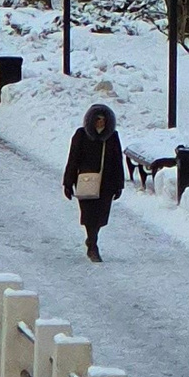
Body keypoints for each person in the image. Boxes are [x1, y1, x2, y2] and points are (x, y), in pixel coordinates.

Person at [61, 99, 125, 261]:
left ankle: (92, 239)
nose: (100, 122)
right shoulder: (81, 135)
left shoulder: (112, 137)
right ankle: (93, 244)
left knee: (101, 216)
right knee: (89, 215)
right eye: (97, 119)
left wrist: (119, 185)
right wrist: (68, 183)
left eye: (103, 119)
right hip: (86, 182)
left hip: (107, 184)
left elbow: (118, 161)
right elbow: (73, 159)